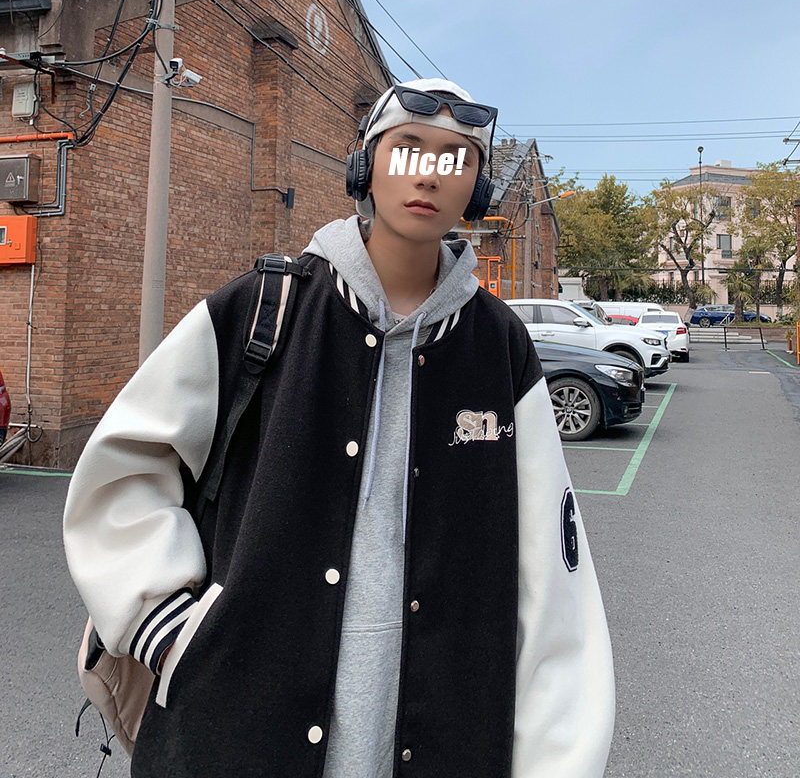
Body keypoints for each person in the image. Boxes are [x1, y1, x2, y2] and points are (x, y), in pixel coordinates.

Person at [63, 77, 615, 778]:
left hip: (446, 732)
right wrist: (172, 632)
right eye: (408, 147)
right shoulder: (263, 308)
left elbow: (552, 581)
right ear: (365, 166)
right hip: (238, 723)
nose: (429, 173)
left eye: (456, 157)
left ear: (477, 189)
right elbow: (123, 471)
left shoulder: (499, 347)